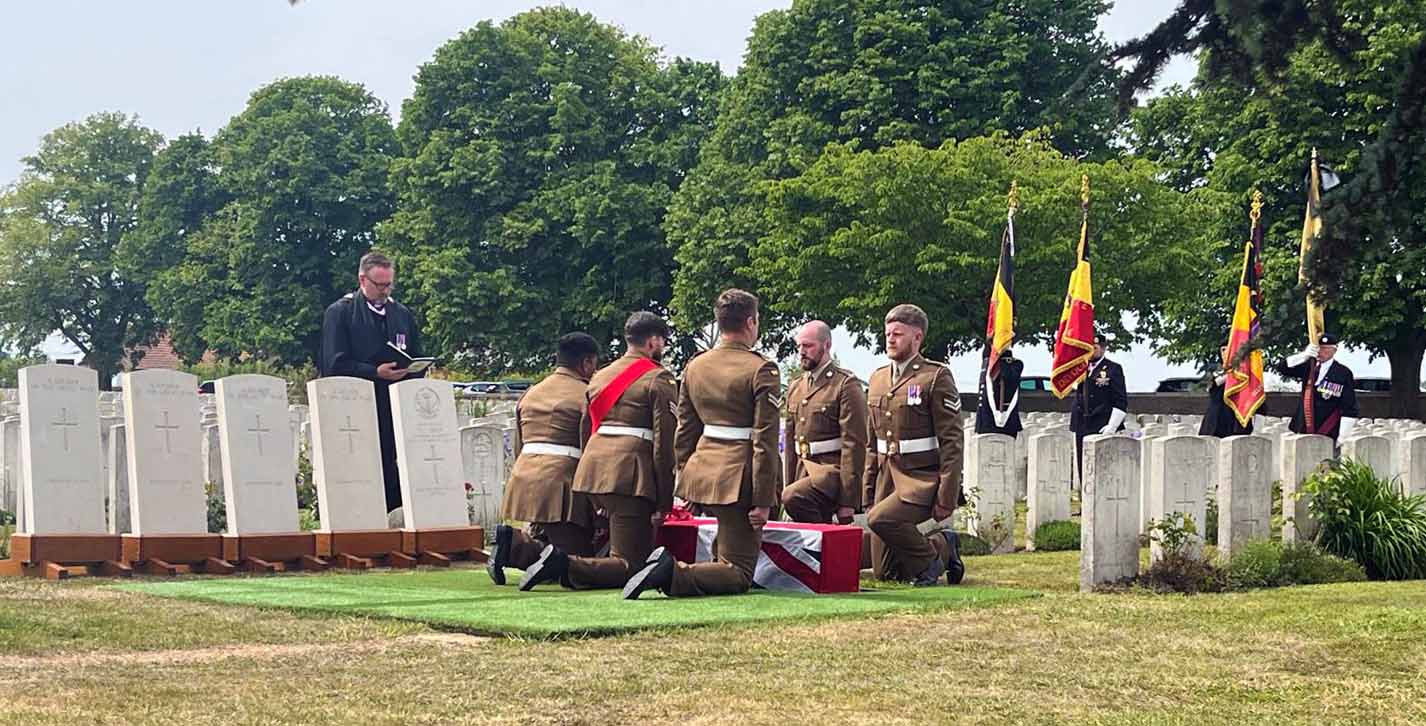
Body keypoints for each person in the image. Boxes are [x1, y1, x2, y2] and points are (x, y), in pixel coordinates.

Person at [622, 289, 781, 599]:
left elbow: (685, 431)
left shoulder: (696, 365)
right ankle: (672, 572)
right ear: (751, 322)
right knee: (738, 573)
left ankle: (674, 572)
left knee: (725, 555)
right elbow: (764, 439)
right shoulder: (762, 369)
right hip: (741, 476)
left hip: (704, 469)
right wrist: (764, 499)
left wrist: (687, 478)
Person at [518, 313, 678, 592]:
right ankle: (564, 564)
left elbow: (586, 432)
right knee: (631, 565)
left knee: (611, 551)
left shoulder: (599, 376)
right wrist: (664, 501)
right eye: (662, 341)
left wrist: (591, 489)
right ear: (653, 341)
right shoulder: (658, 378)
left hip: (593, 471)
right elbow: (664, 447)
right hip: (631, 476)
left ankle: (540, 554)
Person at [486, 333, 604, 585]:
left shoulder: (531, 393)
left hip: (525, 475)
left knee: (558, 553)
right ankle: (514, 545)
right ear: (586, 363)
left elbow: (519, 444)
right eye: (594, 364)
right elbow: (592, 450)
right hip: (562, 482)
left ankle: (512, 543)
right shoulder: (587, 395)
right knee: (579, 562)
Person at [862, 304, 965, 586]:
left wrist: (947, 495)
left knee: (881, 520)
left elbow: (952, 441)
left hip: (921, 478)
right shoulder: (877, 378)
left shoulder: (935, 377)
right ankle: (944, 546)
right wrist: (868, 489)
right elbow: (873, 442)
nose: (891, 339)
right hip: (888, 478)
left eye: (898, 334)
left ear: (917, 337)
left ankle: (929, 564)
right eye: (888, 334)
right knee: (887, 572)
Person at [318, 251, 423, 512]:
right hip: (356, 408)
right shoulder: (340, 313)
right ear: (362, 279)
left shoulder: (401, 314)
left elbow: (416, 353)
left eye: (389, 284)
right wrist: (376, 371)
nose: (386, 291)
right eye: (380, 285)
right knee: (364, 467)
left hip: (393, 406)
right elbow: (333, 364)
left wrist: (414, 369)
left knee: (392, 465)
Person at [780, 321, 867, 524]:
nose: (801, 352)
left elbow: (854, 444)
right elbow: (792, 445)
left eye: (808, 346)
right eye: (799, 346)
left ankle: (825, 540)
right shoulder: (795, 387)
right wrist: (790, 482)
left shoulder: (845, 384)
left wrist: (849, 501)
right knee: (791, 499)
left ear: (826, 345)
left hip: (832, 473)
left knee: (794, 497)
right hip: (804, 473)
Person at [1276, 332, 1359, 442]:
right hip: (1303, 427)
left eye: (1325, 348)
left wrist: (1343, 436)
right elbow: (1282, 368)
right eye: (1318, 348)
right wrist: (1303, 355)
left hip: (1328, 429)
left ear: (1334, 350)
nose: (1320, 351)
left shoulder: (1343, 373)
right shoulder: (1309, 366)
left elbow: (1349, 406)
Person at [1069, 333, 1127, 484]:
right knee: (1084, 465)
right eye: (1088, 348)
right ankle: (1085, 500)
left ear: (1103, 349)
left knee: (1104, 468)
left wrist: (1112, 426)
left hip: (1102, 423)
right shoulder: (1079, 367)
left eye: (1094, 348)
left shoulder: (1113, 369)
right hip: (1082, 423)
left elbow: (1120, 400)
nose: (1091, 351)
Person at [1199, 345, 1255, 438]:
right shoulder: (1214, 370)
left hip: (1236, 416)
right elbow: (1209, 386)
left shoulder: (1243, 371)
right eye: (1223, 349)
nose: (1225, 352)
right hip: (1216, 416)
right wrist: (1229, 374)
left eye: (1228, 349)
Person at [974, 348, 1024, 437]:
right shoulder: (988, 364)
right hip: (985, 421)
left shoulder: (1012, 366)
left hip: (1005, 423)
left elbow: (1008, 379)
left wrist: (1001, 360)